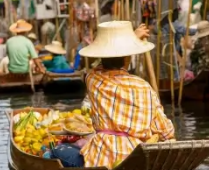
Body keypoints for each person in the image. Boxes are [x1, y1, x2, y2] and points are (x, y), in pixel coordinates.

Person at [50, 21, 175, 168]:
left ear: (102, 56)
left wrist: (132, 38)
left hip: (100, 159)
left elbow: (97, 69)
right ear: (127, 57)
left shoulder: (94, 79)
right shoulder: (144, 87)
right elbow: (165, 130)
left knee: (57, 151)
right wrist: (168, 137)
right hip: (135, 158)